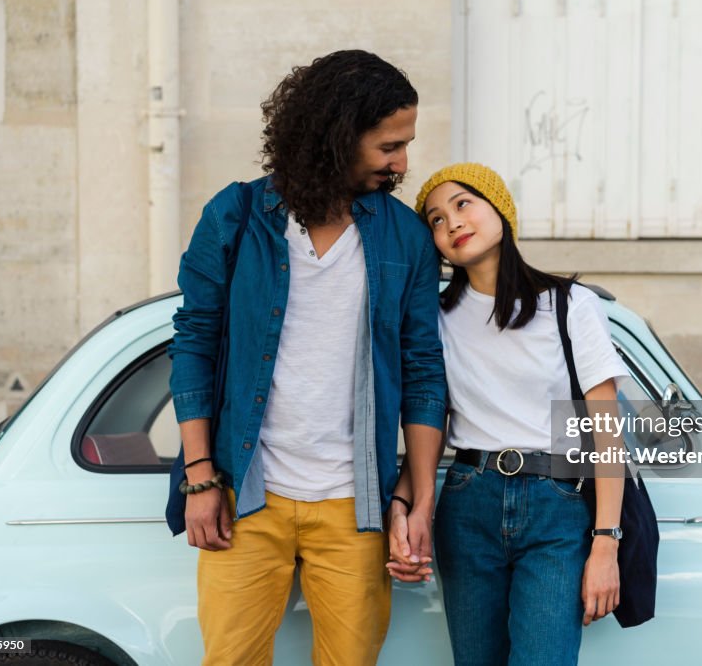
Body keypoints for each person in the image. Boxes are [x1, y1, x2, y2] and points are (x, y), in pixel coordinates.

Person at [167, 49, 446, 666]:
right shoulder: (236, 217)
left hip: (356, 504)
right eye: (389, 146)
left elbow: (425, 373)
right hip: (246, 495)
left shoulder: (404, 237)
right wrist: (201, 477)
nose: (403, 163)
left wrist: (418, 500)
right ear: (340, 137)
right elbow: (194, 344)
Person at [389, 163, 627, 665]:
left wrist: (606, 544)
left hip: (556, 503)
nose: (451, 223)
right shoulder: (435, 317)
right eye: (434, 219)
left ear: (500, 209)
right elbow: (428, 420)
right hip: (467, 498)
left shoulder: (569, 305)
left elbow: (606, 434)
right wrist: (406, 503)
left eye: (462, 204)